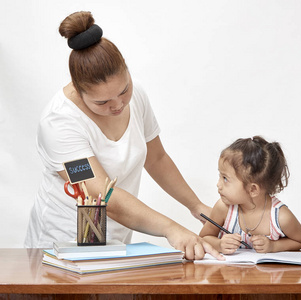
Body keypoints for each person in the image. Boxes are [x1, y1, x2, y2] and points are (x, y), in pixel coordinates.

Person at [24, 11, 222, 261]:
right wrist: (172, 229)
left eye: (123, 90)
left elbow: (157, 158)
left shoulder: (136, 94)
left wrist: (197, 207)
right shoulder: (59, 124)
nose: (118, 105)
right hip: (61, 243)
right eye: (102, 101)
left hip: (116, 241)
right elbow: (102, 196)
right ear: (78, 90)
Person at [199, 136, 301, 254]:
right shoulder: (223, 208)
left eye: (225, 179)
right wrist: (219, 244)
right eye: (220, 176)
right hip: (230, 272)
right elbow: (203, 238)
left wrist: (273, 246)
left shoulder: (281, 217)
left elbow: (300, 241)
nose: (218, 184)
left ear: (253, 189)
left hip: (267, 273)